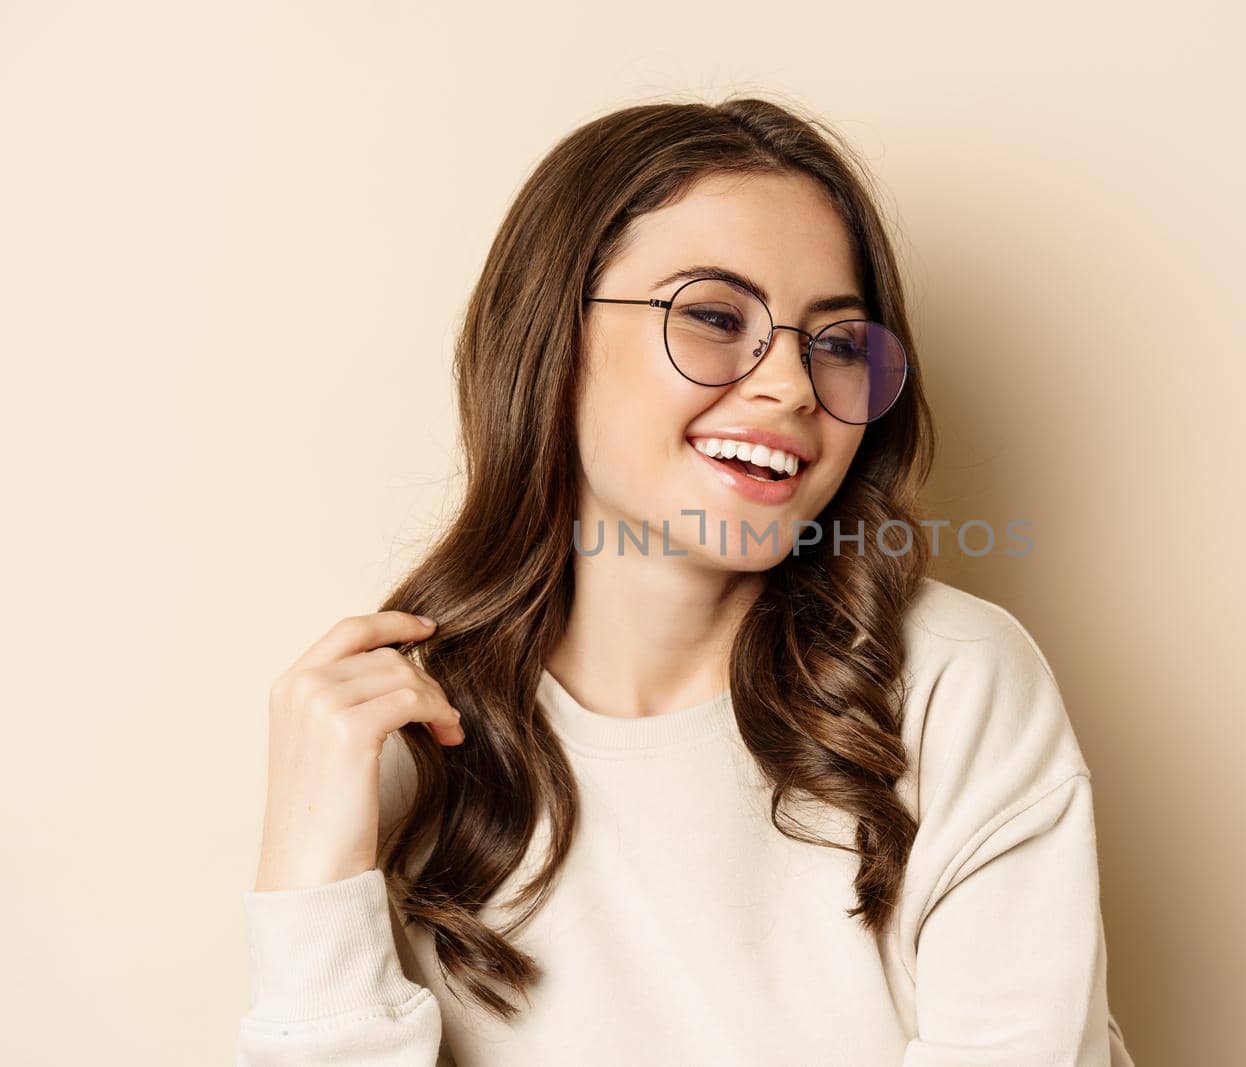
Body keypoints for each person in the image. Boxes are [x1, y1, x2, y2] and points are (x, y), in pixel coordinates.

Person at [237, 96, 1135, 1066]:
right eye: (713, 316)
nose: (791, 385)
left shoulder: (950, 681)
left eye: (836, 343)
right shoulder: (394, 733)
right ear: (550, 339)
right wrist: (309, 877)